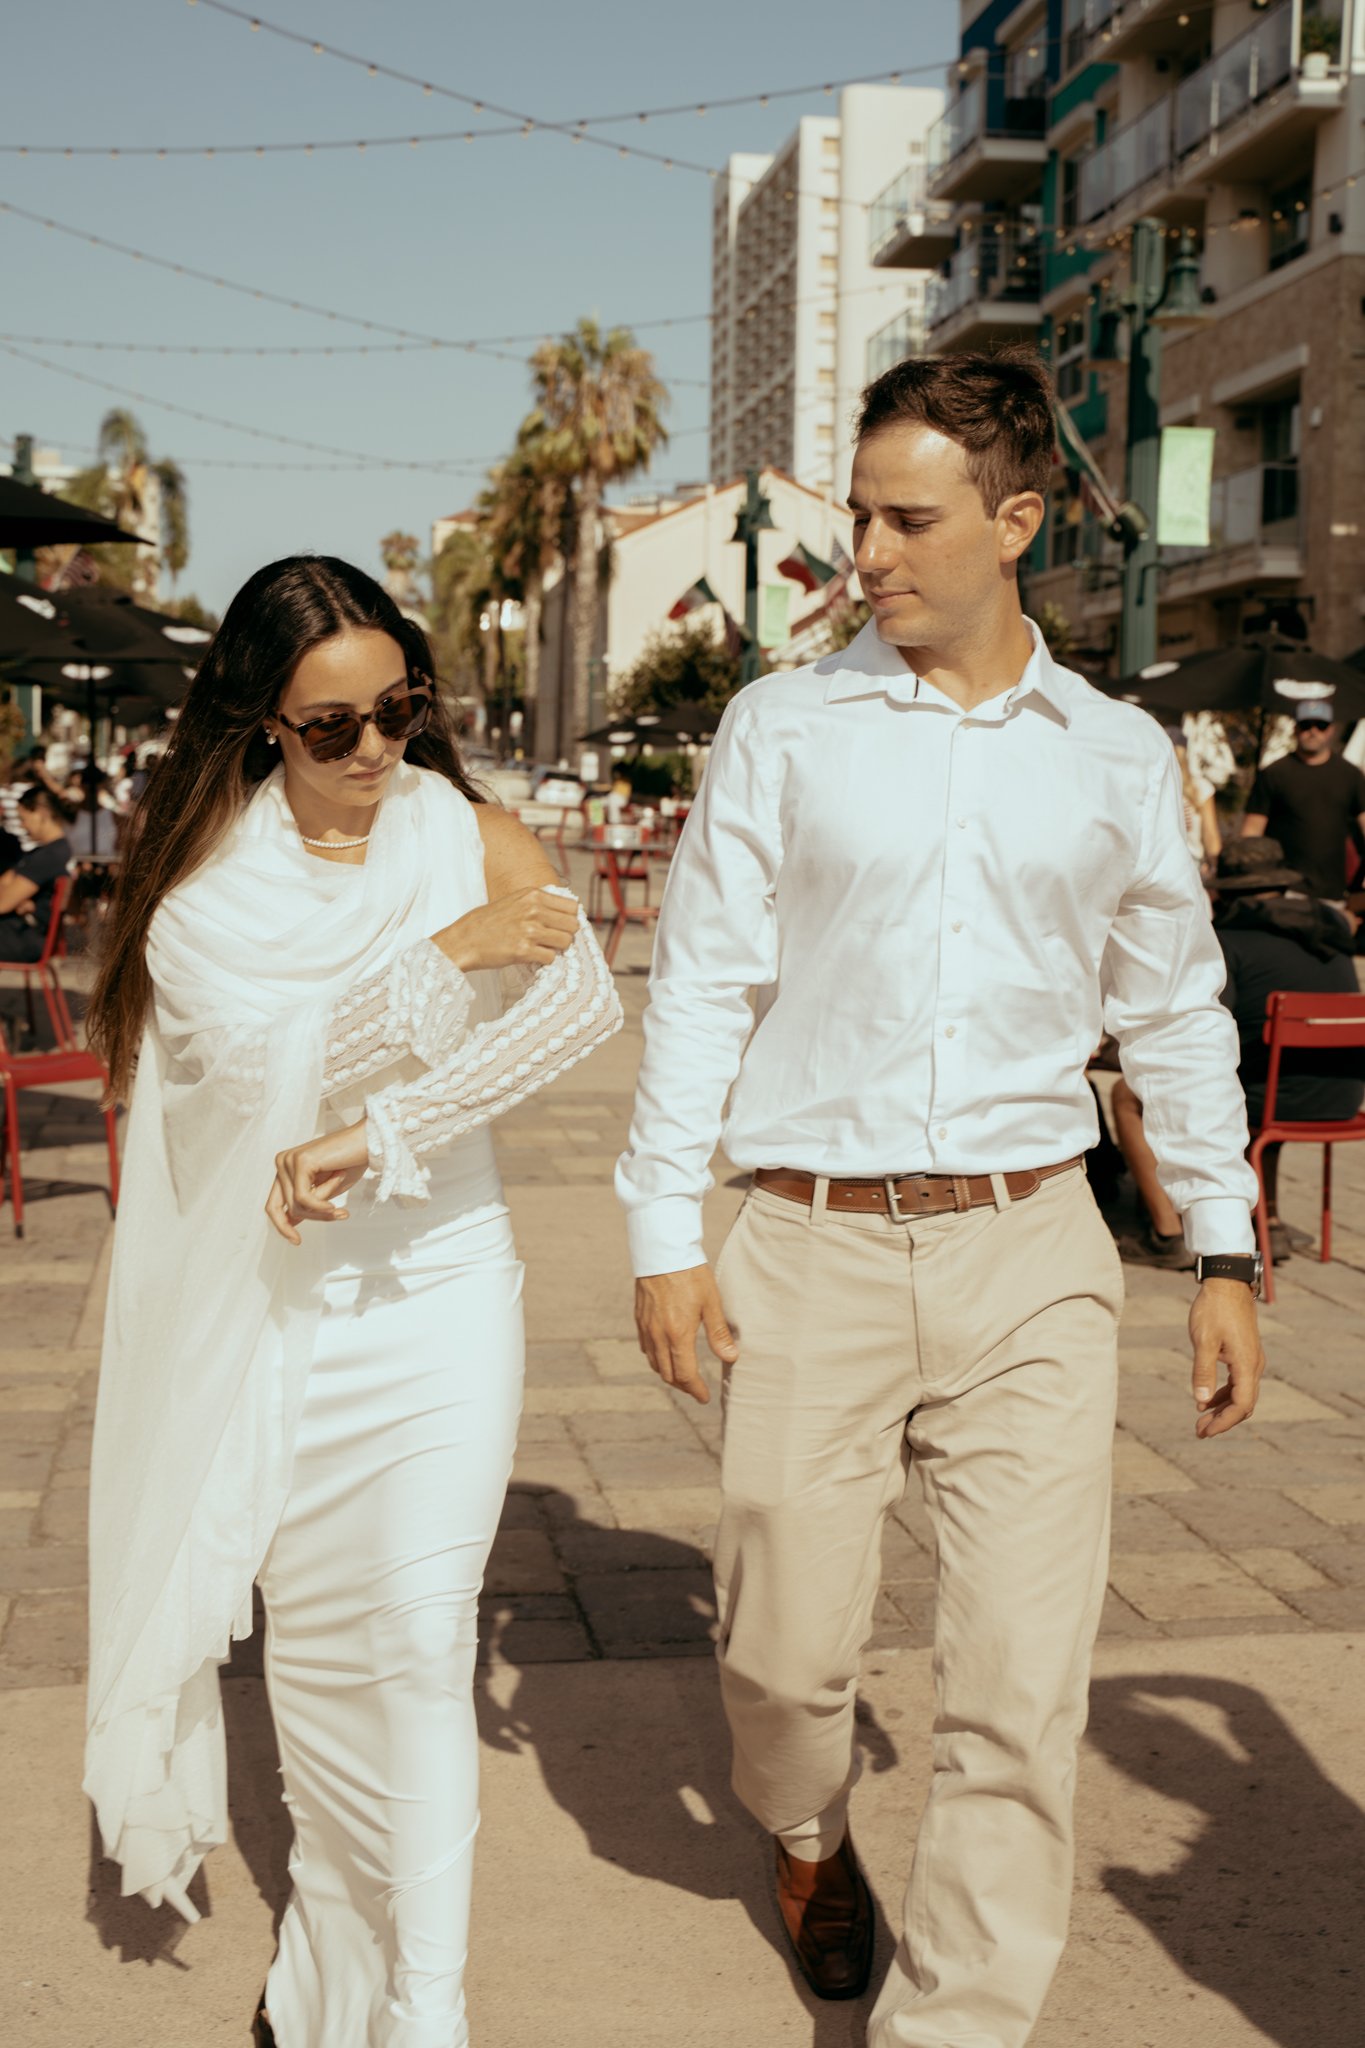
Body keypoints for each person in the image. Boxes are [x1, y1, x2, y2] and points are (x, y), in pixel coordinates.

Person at [617, 348, 1265, 2048]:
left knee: (1020, 1684)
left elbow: (1175, 1006)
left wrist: (1222, 1244)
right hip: (810, 1240)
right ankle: (811, 1830)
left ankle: (954, 2022)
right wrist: (664, 1230)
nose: (875, 553)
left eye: (913, 519)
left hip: (1032, 1244)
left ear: (1020, 520)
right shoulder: (783, 726)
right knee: (778, 1652)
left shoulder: (1117, 758)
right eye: (863, 517)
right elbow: (699, 985)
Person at [83, 556, 622, 2048]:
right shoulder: (197, 908)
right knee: (321, 1678)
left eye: (398, 711)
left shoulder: (456, 821)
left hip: (444, 1294)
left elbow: (584, 1001)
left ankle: (426, 2015)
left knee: (421, 1641)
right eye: (334, 727)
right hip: (286, 1321)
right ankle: (328, 1968)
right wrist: (444, 958)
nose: (376, 751)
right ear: (264, 724)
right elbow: (262, 1083)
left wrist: (391, 1131)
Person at [1114, 838, 1363, 1267]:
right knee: (1270, 1074)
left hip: (1271, 1097)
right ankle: (1270, 1219)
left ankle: (1167, 1232)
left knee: (1126, 1093)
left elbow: (1203, 1033)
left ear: (1224, 891)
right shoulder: (1330, 929)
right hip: (1342, 1094)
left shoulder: (1228, 940)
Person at [1243, 700, 1365, 907]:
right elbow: (1251, 832)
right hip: (1282, 890)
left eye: (1321, 725)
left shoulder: (1350, 775)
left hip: (1333, 893)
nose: (1313, 731)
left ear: (1331, 730)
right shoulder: (1274, 773)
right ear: (1295, 728)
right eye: (1306, 725)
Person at [0, 783, 73, 961]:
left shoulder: (48, 857)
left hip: (25, 938)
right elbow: (5, 884)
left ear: (41, 813)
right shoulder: (54, 851)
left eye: (24, 819)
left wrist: (15, 897)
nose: (23, 827)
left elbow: (2, 903)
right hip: (24, 933)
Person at [1167, 722, 1220, 874]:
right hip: (1160, 866)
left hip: (1192, 865)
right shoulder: (1153, 785)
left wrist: (1215, 867)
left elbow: (1210, 833)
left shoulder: (1200, 787)